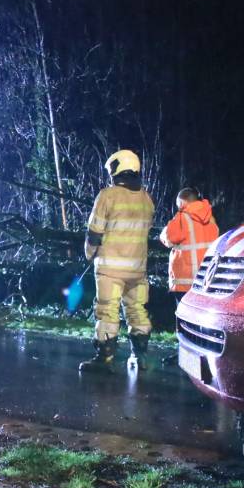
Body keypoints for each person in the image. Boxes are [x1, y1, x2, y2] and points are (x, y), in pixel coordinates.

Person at [79, 149, 155, 372]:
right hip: (137, 269)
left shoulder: (107, 195)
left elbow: (94, 232)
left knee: (107, 311)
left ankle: (105, 358)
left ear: (118, 169)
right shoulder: (146, 198)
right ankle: (140, 356)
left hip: (110, 268)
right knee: (137, 310)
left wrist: (89, 253)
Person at [160, 187, 219, 304]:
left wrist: (164, 230)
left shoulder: (182, 218)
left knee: (184, 319)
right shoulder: (211, 218)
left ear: (182, 202)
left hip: (186, 284)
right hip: (206, 280)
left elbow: (168, 238)